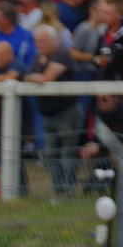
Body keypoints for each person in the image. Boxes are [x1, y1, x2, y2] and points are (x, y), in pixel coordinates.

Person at [26, 24, 80, 196]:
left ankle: (68, 192)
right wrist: (34, 77)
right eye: (37, 41)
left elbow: (47, 78)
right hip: (49, 114)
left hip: (67, 112)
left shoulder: (62, 53)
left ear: (53, 41)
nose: (39, 45)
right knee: (50, 154)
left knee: (67, 153)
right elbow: (27, 77)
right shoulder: (38, 58)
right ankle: (59, 191)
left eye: (43, 41)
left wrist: (36, 77)